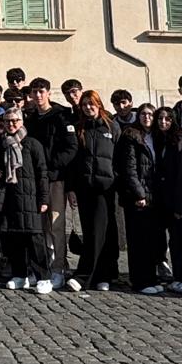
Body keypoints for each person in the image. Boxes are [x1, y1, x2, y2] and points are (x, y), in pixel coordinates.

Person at [0, 108, 50, 293]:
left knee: (35, 240)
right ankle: (20, 275)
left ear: (21, 122)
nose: (11, 124)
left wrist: (44, 198)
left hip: (30, 198)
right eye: (8, 121)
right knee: (14, 239)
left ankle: (43, 277)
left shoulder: (33, 144)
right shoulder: (0, 144)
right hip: (10, 197)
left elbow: (42, 173)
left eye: (15, 120)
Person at [26, 78, 78, 288]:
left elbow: (70, 148)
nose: (38, 95)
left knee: (56, 224)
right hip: (36, 180)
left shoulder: (62, 116)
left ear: (48, 92)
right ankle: (43, 266)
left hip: (55, 178)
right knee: (40, 226)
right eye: (34, 92)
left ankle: (59, 268)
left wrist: (50, 167)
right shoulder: (30, 119)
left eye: (41, 91)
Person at [66, 90, 118, 292]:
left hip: (105, 188)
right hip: (84, 186)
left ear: (99, 104)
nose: (88, 107)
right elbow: (72, 161)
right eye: (85, 104)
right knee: (91, 233)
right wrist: (70, 188)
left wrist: (116, 179)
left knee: (100, 232)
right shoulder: (79, 128)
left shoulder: (111, 127)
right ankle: (102, 275)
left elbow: (120, 156)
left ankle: (84, 275)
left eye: (91, 103)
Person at [114, 102, 161, 294]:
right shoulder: (131, 136)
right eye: (143, 114)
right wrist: (139, 193)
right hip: (138, 196)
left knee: (152, 240)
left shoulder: (157, 136)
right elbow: (129, 169)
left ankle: (151, 277)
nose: (147, 117)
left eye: (150, 114)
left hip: (154, 195)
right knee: (138, 241)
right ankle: (141, 281)